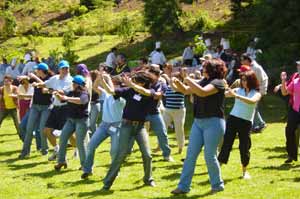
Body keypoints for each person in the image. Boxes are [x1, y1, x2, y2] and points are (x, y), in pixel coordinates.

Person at [171, 59, 227, 194]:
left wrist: (187, 78)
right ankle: (183, 187)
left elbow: (202, 92)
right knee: (190, 155)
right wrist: (177, 82)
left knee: (209, 156)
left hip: (214, 122)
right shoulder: (203, 81)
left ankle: (217, 185)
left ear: (212, 69)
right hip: (198, 122)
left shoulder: (218, 83)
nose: (202, 69)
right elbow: (185, 91)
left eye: (205, 67)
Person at [101, 71, 156, 190]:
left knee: (147, 155)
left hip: (140, 127)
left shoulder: (150, 92)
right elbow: (111, 91)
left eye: (135, 81)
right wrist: (103, 80)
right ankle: (107, 182)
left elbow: (145, 92)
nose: (132, 82)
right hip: (126, 125)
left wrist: (131, 84)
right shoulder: (129, 91)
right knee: (121, 154)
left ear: (142, 83)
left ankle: (148, 179)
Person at [81, 71, 126, 179]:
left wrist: (107, 80)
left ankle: (115, 171)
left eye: (115, 84)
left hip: (117, 126)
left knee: (114, 151)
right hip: (104, 125)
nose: (114, 86)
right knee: (91, 146)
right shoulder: (105, 94)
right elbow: (95, 86)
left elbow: (111, 91)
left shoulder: (121, 98)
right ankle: (87, 170)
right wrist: (99, 78)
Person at [218, 70, 261, 179]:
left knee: (244, 147)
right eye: (242, 80)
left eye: (245, 80)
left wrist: (236, 96)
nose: (243, 82)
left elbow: (251, 101)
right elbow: (225, 94)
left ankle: (244, 171)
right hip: (233, 119)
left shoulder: (256, 93)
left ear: (251, 81)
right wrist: (225, 88)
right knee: (226, 144)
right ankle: (217, 169)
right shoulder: (238, 90)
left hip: (246, 122)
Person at [54, 75, 90, 170]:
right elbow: (62, 99)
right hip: (70, 120)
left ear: (78, 85)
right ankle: (61, 161)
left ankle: (85, 165)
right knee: (62, 138)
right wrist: (57, 94)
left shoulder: (85, 93)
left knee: (80, 143)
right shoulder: (71, 93)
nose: (72, 85)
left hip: (81, 121)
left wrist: (67, 98)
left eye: (74, 83)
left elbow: (81, 101)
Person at [18, 63, 53, 159]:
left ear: (41, 71)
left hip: (46, 107)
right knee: (29, 129)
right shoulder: (35, 77)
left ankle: (44, 149)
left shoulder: (50, 79)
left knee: (42, 129)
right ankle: (25, 152)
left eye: (37, 70)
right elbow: (28, 79)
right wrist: (23, 77)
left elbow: (45, 86)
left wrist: (35, 77)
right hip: (35, 106)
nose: (36, 71)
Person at [41, 60, 73, 161]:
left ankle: (78, 149)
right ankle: (56, 149)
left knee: (68, 134)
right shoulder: (54, 78)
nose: (65, 70)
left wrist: (51, 90)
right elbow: (44, 85)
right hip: (55, 108)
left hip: (66, 108)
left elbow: (62, 94)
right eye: (63, 68)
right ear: (59, 69)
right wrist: (37, 84)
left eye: (67, 68)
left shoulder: (70, 80)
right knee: (46, 130)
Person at [241, 54, 268, 132]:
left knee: (253, 107)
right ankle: (258, 124)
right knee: (253, 107)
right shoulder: (249, 67)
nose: (242, 62)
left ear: (247, 60)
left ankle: (260, 124)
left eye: (243, 60)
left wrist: (258, 91)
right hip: (253, 89)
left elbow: (259, 80)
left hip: (259, 89)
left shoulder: (256, 68)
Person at [162, 72, 186, 154]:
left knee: (179, 130)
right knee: (163, 128)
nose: (173, 79)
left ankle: (180, 147)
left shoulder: (182, 87)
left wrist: (168, 78)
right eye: (173, 77)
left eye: (176, 77)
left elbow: (174, 88)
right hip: (167, 110)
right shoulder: (169, 86)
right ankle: (161, 146)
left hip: (178, 111)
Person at [281, 69, 300, 163]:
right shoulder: (295, 81)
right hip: (295, 110)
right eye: (298, 66)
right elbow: (285, 92)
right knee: (289, 130)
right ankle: (291, 155)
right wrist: (283, 81)